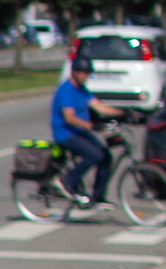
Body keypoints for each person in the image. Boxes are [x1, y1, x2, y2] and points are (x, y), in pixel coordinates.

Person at [51, 56, 128, 202]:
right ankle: (66, 181)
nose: (86, 76)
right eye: (83, 73)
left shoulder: (82, 90)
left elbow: (99, 106)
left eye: (88, 73)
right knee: (95, 155)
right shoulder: (66, 90)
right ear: (74, 72)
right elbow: (69, 118)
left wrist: (123, 113)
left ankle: (98, 196)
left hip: (79, 132)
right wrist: (92, 126)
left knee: (106, 156)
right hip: (65, 134)